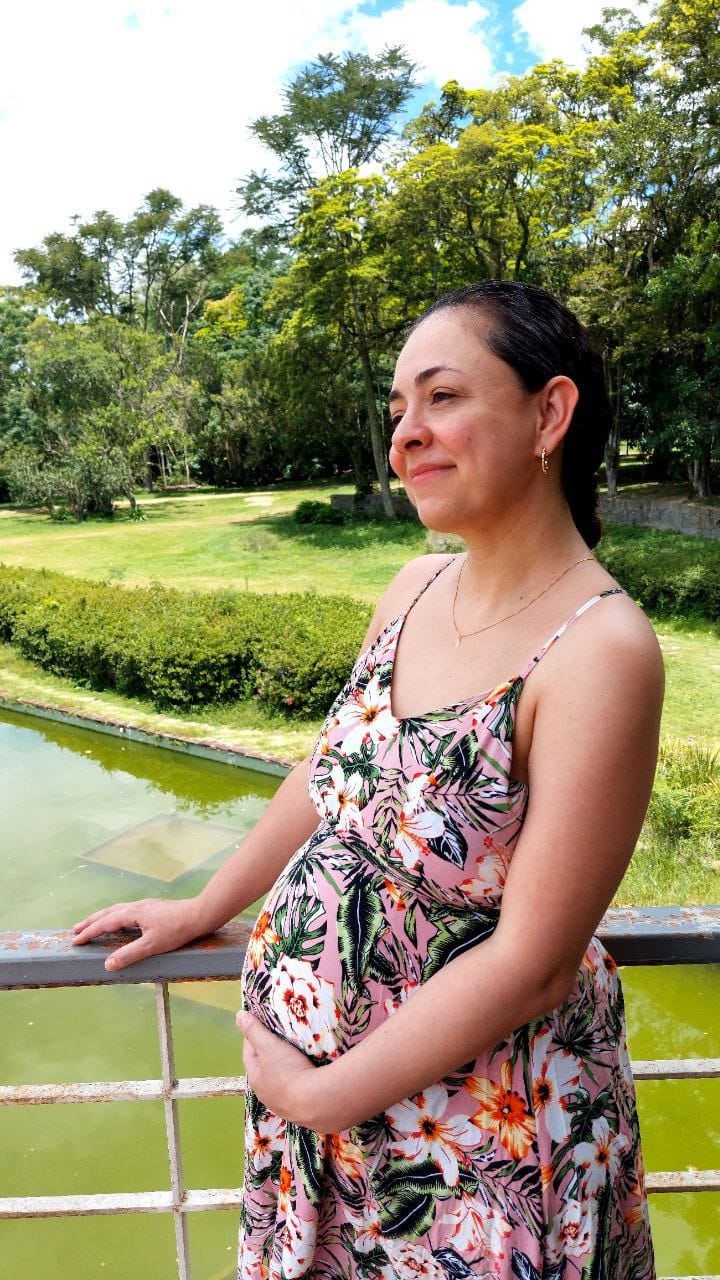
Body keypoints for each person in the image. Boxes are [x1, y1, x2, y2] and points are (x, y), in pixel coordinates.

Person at [74, 281, 664, 1279]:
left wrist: (322, 1094)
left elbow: (535, 962)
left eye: (442, 397)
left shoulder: (600, 649)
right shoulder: (415, 586)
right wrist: (205, 906)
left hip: (476, 1141)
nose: (406, 434)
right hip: (333, 1123)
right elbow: (330, 770)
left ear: (549, 414)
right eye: (398, 409)